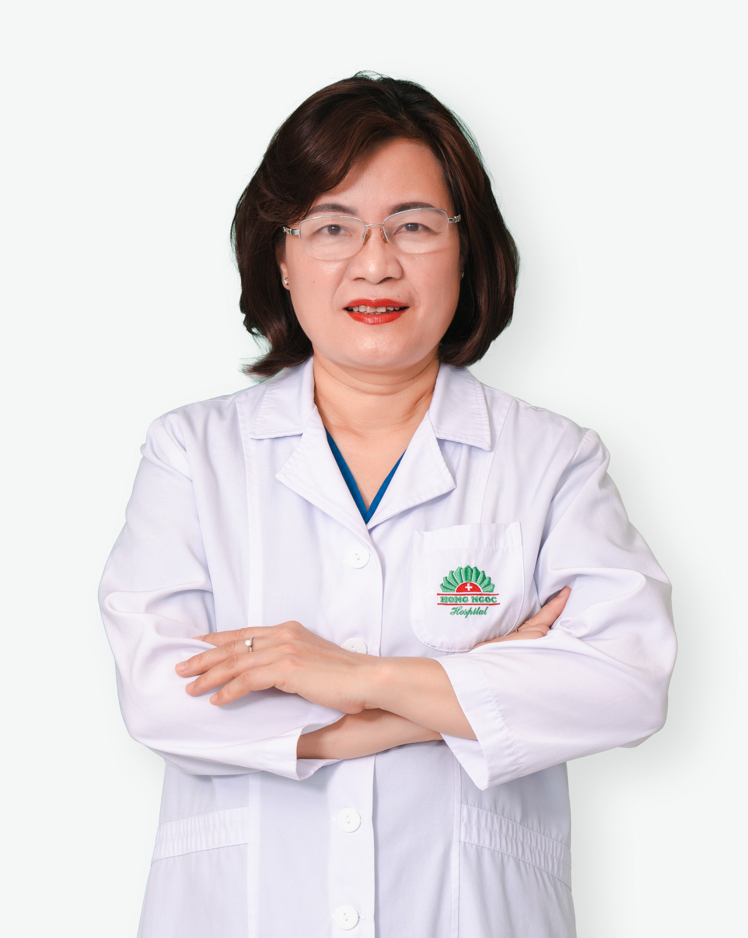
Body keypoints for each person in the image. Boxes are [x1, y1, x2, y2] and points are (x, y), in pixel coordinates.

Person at [100, 73, 676, 938]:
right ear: (281, 258)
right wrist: (450, 700)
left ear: (467, 249)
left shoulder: (550, 461)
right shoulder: (192, 454)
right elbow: (161, 697)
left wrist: (356, 675)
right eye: (332, 226)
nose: (375, 263)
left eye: (414, 224)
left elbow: (625, 682)